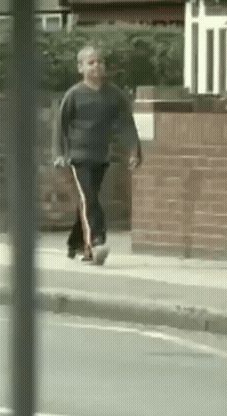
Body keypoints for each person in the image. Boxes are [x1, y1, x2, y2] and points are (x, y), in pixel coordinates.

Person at [55, 45, 142, 265]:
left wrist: (134, 150)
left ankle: (75, 241)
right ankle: (96, 242)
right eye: (91, 62)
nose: (97, 66)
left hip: (101, 156)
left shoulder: (114, 95)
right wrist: (60, 153)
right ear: (80, 67)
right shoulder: (74, 94)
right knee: (90, 199)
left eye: (100, 62)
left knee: (87, 201)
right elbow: (61, 125)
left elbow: (126, 124)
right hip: (78, 157)